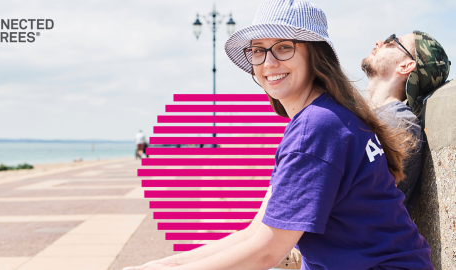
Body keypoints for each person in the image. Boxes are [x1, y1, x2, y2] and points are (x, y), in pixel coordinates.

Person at [124, 0, 433, 269]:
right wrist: (166, 264)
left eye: (284, 47)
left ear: (315, 55)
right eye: (258, 51)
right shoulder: (326, 116)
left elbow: (267, 251)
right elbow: (254, 232)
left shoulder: (318, 127)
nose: (268, 62)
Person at [361, 31, 451, 215]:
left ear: (406, 65)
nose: (379, 42)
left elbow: (366, 204)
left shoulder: (399, 123)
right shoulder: (377, 118)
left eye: (391, 41)